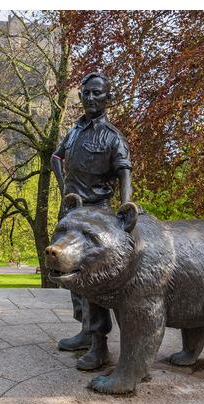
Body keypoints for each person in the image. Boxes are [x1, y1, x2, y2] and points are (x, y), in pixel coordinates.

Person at [50, 72, 132, 370]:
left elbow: (124, 172)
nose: (91, 98)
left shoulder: (112, 136)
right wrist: (63, 188)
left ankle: (99, 346)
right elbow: (55, 158)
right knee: (70, 274)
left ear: (108, 98)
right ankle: (85, 331)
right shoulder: (73, 131)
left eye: (97, 93)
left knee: (92, 280)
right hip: (71, 214)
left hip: (96, 218)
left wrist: (126, 206)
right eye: (86, 93)